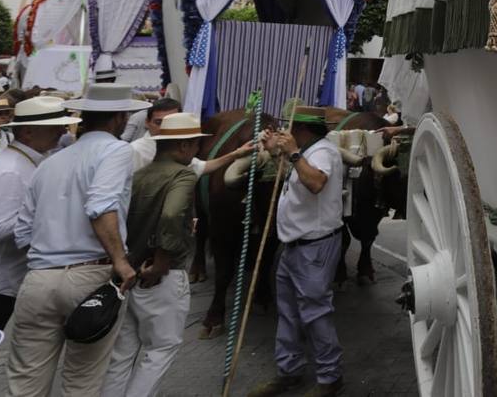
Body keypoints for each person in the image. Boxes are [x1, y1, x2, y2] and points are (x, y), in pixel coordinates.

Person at [6, 82, 150, 396]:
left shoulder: (49, 163)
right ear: (118, 118)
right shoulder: (116, 150)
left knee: (25, 385)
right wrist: (121, 262)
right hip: (90, 276)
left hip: (39, 279)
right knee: (81, 383)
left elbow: (22, 233)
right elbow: (100, 207)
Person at [0, 96, 75, 389]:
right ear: (27, 132)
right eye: (54, 126)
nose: (61, 131)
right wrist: (46, 214)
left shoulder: (24, 163)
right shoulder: (10, 170)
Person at [102, 113, 204, 397]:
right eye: (196, 145)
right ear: (184, 146)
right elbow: (171, 215)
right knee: (161, 348)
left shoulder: (140, 175)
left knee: (122, 354)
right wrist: (162, 261)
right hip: (161, 275)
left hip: (131, 273)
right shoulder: (182, 174)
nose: (197, 151)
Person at [249, 105, 346, 397]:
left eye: (290, 129)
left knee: (316, 313)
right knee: (288, 311)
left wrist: (291, 152)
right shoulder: (306, 151)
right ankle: (289, 371)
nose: (285, 133)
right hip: (292, 246)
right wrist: (275, 149)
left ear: (302, 130)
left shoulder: (324, 152)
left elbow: (315, 182)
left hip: (314, 247)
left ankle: (330, 377)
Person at [129, 96, 246, 178]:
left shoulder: (179, 149)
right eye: (159, 122)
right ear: (147, 122)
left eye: (172, 122)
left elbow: (200, 167)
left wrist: (236, 154)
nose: (165, 128)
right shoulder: (136, 150)